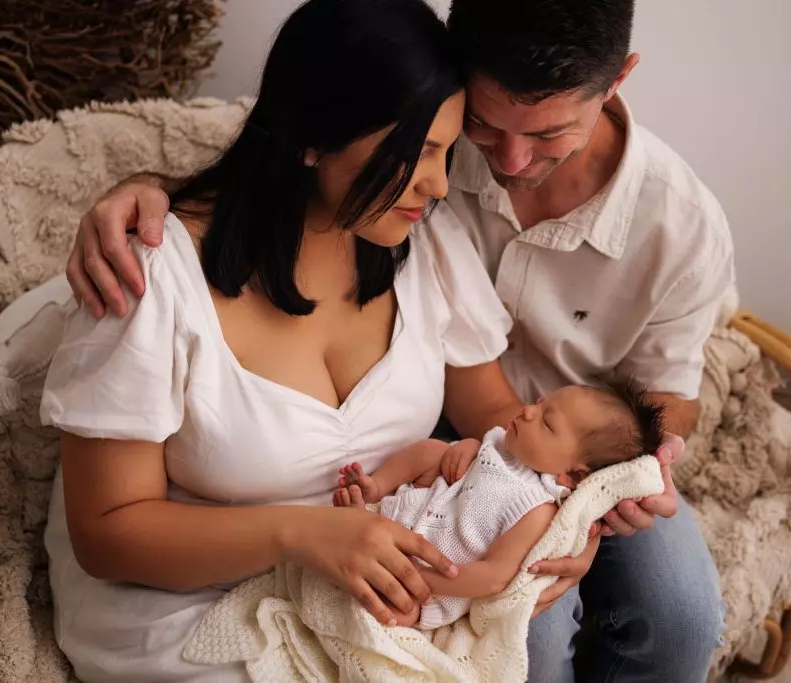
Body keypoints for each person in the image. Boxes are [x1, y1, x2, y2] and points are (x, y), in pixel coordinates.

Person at [66, 0, 728, 680]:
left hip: (467, 522)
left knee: (680, 612)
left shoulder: (432, 238)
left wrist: (571, 515)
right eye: (452, 142)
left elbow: (554, 412)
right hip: (222, 594)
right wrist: (303, 534)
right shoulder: (157, 269)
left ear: (616, 81)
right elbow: (108, 528)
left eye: (447, 150)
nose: (455, 179)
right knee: (537, 635)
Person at [332, 376, 665, 630]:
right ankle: (376, 488)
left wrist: (419, 577)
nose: (529, 410)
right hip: (409, 515)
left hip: (431, 581)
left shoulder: (537, 511)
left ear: (572, 476)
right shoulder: (500, 444)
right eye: (538, 402)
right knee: (433, 450)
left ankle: (375, 576)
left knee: (393, 611)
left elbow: (493, 577)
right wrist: (462, 449)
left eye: (547, 422)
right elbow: (453, 467)